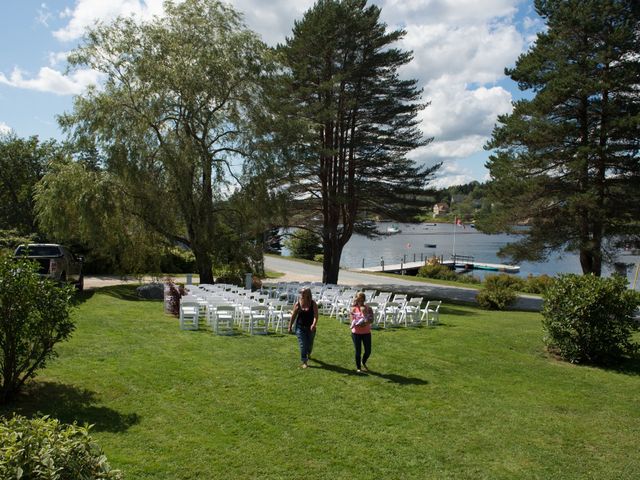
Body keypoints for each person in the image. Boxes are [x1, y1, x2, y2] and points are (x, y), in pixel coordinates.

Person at [288, 287, 318, 369]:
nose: (302, 294)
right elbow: (293, 316)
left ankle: (309, 353)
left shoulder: (313, 303)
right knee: (303, 344)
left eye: (304, 292)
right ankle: (304, 361)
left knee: (309, 344)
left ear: (308, 294)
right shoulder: (298, 304)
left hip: (311, 328)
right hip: (300, 327)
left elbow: (316, 316)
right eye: (301, 292)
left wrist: (314, 324)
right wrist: (290, 326)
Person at [350, 291, 374, 373]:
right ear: (356, 299)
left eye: (361, 299)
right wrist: (356, 324)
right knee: (358, 351)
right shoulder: (353, 308)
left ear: (364, 299)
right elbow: (352, 321)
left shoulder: (369, 308)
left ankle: (363, 362)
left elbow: (371, 320)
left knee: (368, 351)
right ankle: (358, 367)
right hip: (356, 333)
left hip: (366, 332)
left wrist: (365, 323)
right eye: (358, 298)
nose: (360, 300)